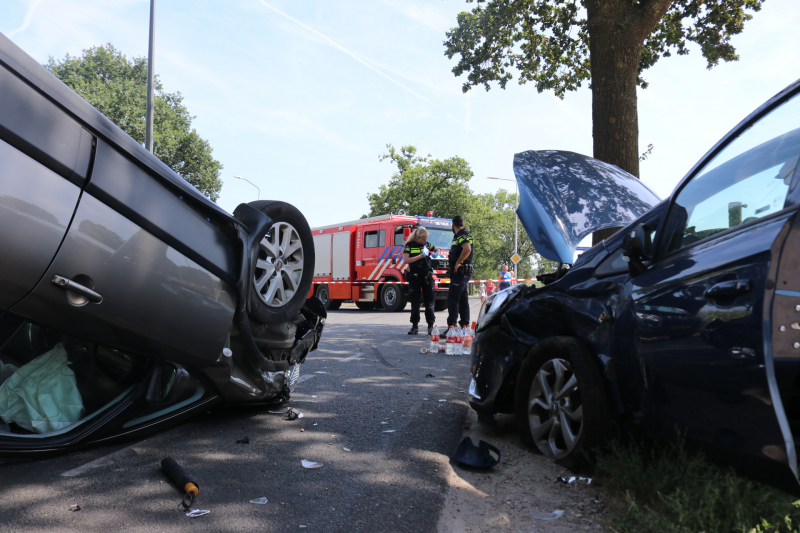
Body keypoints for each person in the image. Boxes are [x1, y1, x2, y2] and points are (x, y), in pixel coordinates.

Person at [402, 227, 439, 335]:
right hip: (415, 277)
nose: (425, 241)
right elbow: (405, 260)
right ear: (417, 237)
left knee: (430, 302)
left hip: (427, 276)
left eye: (426, 239)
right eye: (423, 239)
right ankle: (414, 326)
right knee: (415, 302)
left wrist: (436, 252)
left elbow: (437, 249)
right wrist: (419, 256)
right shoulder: (409, 246)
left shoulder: (426, 245)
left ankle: (430, 326)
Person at [447, 215, 474, 328]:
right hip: (461, 272)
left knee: (452, 299)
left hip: (461, 271)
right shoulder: (463, 234)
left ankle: (452, 326)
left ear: (453, 224)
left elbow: (467, 249)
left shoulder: (462, 235)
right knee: (463, 299)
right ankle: (464, 325)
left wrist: (458, 262)